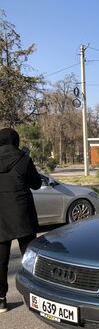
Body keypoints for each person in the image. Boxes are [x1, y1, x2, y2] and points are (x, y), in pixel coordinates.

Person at [0, 128, 41, 313]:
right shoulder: (24, 160)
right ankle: (37, 295)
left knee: (1, 261)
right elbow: (37, 184)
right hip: (23, 216)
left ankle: (1, 300)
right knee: (30, 258)